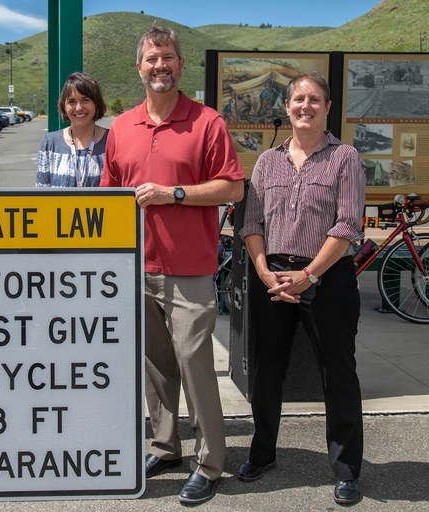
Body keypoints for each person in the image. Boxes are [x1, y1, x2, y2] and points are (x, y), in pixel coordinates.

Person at [100, 24, 245, 505]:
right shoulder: (121, 127)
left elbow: (231, 187)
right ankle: (166, 446)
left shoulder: (207, 123)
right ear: (139, 67)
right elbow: (108, 198)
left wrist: (175, 194)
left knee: (194, 363)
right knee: (157, 366)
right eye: (151, 58)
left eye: (167, 58)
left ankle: (210, 462)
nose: (159, 65)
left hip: (190, 270)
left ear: (181, 65)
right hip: (137, 268)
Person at [237, 71, 366, 505]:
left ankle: (346, 468)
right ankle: (262, 453)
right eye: (298, 99)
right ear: (287, 107)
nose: (305, 106)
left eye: (314, 99)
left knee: (338, 372)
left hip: (327, 279)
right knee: (266, 369)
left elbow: (348, 224)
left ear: (327, 107)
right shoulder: (267, 162)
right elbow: (251, 223)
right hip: (272, 277)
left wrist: (310, 274)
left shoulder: (344, 157)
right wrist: (262, 270)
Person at [36, 72, 108, 187]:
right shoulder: (50, 142)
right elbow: (41, 192)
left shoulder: (112, 142)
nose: (79, 108)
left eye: (85, 100)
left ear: (96, 103)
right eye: (72, 102)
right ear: (64, 106)